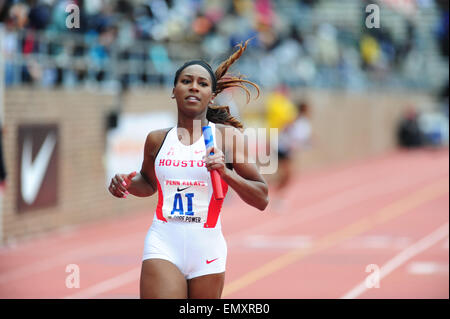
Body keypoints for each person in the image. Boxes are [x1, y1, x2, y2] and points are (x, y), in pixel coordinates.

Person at [108, 40, 269, 299]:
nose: (194, 86)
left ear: (212, 95)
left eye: (203, 83)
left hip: (206, 246)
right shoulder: (156, 139)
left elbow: (262, 198)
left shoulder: (227, 139)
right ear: (174, 90)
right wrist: (125, 184)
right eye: (186, 81)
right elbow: (147, 184)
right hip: (163, 240)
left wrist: (226, 173)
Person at [272, 101, 312, 207]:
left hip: (289, 150)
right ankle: (277, 196)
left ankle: (278, 195)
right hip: (283, 148)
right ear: (304, 110)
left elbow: (302, 139)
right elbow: (285, 130)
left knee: (288, 176)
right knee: (287, 175)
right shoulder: (296, 121)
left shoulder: (304, 123)